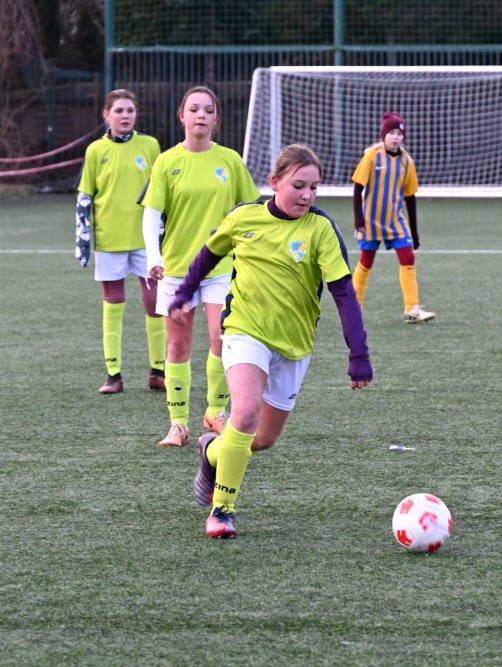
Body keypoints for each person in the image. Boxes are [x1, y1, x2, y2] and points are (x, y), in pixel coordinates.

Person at [168, 143, 371, 539]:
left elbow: (344, 294)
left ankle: (211, 450)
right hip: (244, 332)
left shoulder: (320, 229)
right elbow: (207, 255)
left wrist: (358, 354)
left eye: (314, 187)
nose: (307, 196)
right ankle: (222, 511)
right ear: (275, 182)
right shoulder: (244, 218)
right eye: (299, 186)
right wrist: (184, 294)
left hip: (294, 345)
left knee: (261, 439)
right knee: (243, 414)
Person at [141, 86, 261, 447]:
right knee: (178, 346)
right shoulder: (166, 162)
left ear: (216, 119)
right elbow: (152, 213)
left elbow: (251, 211)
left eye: (208, 110)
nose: (201, 115)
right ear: (182, 116)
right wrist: (153, 256)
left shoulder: (230, 160)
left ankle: (215, 412)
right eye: (194, 109)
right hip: (176, 269)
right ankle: (177, 424)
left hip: (221, 267)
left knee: (222, 337)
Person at [75, 89, 165, 394]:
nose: (125, 116)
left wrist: (163, 235)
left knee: (155, 303)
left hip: (144, 241)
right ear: (107, 115)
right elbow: (85, 196)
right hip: (109, 240)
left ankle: (158, 372)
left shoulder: (150, 146)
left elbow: (161, 192)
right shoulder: (95, 150)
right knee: (113, 303)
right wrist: (82, 239)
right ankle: (113, 375)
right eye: (119, 111)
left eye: (130, 110)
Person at [351, 111, 435, 323]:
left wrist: (415, 233)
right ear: (384, 135)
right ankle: (354, 306)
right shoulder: (372, 156)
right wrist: (358, 219)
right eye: (392, 133)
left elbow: (410, 198)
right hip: (370, 220)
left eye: (399, 133)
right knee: (366, 260)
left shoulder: (407, 161)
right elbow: (357, 188)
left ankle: (412, 309)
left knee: (408, 257)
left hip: (395, 220)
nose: (396, 137)